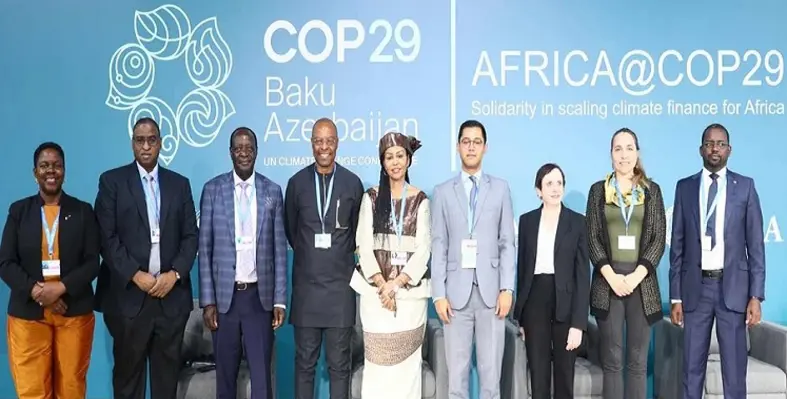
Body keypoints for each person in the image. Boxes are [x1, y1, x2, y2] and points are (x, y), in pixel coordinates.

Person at [94, 117, 199, 399]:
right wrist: (134, 274)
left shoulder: (180, 184)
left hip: (170, 298)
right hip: (129, 299)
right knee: (128, 382)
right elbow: (106, 236)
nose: (146, 146)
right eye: (140, 140)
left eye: (151, 139)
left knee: (166, 384)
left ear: (160, 143)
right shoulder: (112, 182)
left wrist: (174, 273)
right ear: (132, 144)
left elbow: (191, 236)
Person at [669, 123, 764, 399]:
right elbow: (678, 245)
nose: (715, 148)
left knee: (734, 372)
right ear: (701, 149)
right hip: (695, 290)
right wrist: (676, 296)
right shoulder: (685, 188)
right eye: (709, 143)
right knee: (691, 370)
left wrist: (755, 295)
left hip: (733, 290)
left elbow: (755, 245)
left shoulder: (745, 187)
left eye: (720, 144)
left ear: (729, 150)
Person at [0, 142, 100, 399]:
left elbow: (92, 262)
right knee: (33, 391)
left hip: (73, 310)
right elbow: (6, 262)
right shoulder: (18, 211)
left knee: (71, 389)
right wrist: (37, 291)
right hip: (28, 315)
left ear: (64, 170)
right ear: (35, 172)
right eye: (44, 166)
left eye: (56, 165)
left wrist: (61, 289)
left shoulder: (82, 211)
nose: (51, 171)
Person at [198, 127, 287, 399]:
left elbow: (279, 250)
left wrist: (280, 300)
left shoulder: (272, 191)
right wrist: (208, 301)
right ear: (230, 153)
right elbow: (205, 248)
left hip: (259, 299)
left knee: (262, 381)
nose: (244, 152)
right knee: (225, 378)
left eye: (249, 147)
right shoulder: (212, 190)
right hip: (225, 300)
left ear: (257, 152)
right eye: (239, 147)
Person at [431, 119, 516, 399]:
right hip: (454, 298)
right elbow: (439, 244)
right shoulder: (442, 192)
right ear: (458, 147)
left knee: (491, 380)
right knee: (457, 380)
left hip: (493, 296)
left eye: (476, 141)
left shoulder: (501, 189)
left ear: (485, 147)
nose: (471, 146)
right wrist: (438, 294)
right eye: (466, 141)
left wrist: (507, 289)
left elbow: (507, 242)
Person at [284, 118, 364, 399]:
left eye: (329, 140)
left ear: (337, 143)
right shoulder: (296, 184)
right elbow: (292, 231)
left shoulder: (353, 184)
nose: (324, 146)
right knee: (304, 366)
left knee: (339, 367)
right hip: (306, 293)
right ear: (311, 144)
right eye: (318, 140)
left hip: (340, 293)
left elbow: (357, 235)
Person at [585, 127, 666, 399]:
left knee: (637, 363)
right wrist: (612, 277)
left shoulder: (651, 191)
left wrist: (634, 277)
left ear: (637, 153)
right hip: (608, 284)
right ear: (611, 154)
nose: (624, 155)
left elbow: (658, 239)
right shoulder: (598, 191)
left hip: (641, 285)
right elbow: (593, 238)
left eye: (629, 148)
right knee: (612, 361)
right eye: (618, 149)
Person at [350, 131, 431, 399]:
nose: (395, 162)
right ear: (382, 163)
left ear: (408, 159)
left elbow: (424, 249)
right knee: (377, 370)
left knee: (407, 371)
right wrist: (383, 285)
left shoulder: (420, 200)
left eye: (400, 156)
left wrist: (397, 284)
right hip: (376, 297)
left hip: (409, 297)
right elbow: (362, 243)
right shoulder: (370, 198)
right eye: (389, 157)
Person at [513, 163, 589, 399]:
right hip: (535, 300)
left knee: (565, 376)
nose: (555, 189)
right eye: (549, 184)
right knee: (539, 374)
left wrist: (578, 324)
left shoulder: (577, 222)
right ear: (538, 190)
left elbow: (582, 275)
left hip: (566, 303)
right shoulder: (527, 221)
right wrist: (521, 317)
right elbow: (523, 270)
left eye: (559, 183)